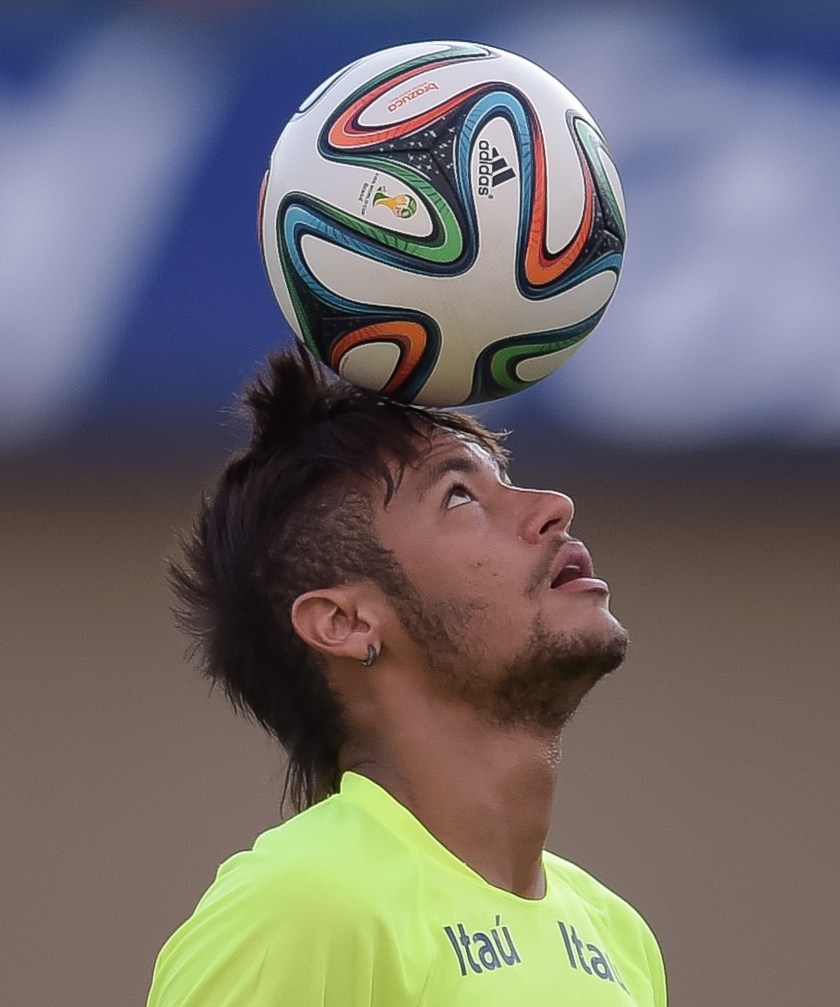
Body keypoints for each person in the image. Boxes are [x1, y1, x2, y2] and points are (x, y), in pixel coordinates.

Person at [145, 349, 665, 1006]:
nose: (553, 507)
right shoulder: (302, 906)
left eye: (506, 480)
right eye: (460, 496)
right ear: (345, 622)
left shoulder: (619, 939)